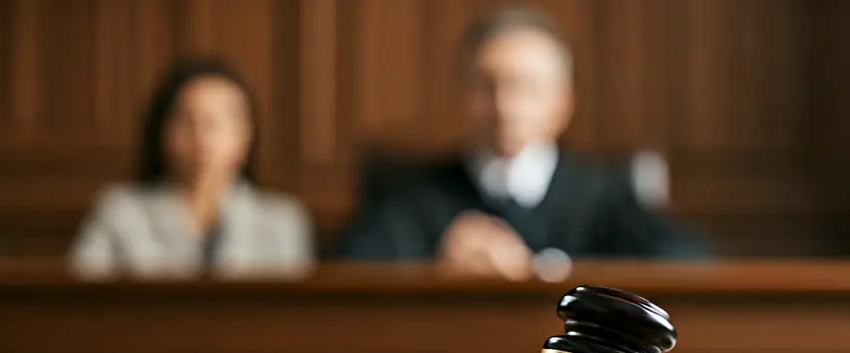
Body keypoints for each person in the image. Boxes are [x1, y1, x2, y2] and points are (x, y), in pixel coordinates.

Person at [334, 8, 707, 276]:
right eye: (486, 85)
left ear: (563, 101)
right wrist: (438, 267)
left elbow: (693, 264)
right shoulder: (414, 193)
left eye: (525, 87)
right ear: (461, 94)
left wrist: (541, 270)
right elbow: (343, 274)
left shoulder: (606, 194)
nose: (504, 106)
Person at [71, 59, 313, 279]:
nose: (201, 138)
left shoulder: (282, 221)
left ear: (246, 135)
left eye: (215, 123)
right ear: (163, 132)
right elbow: (81, 298)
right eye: (188, 121)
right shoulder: (119, 212)